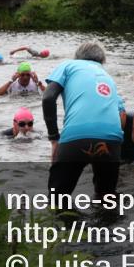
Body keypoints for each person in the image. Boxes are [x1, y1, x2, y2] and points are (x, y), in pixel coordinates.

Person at [42, 42, 125, 198]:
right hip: (111, 138)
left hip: (76, 136)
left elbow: (48, 98)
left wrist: (54, 139)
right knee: (106, 199)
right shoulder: (108, 78)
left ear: (77, 57)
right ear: (102, 61)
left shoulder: (69, 65)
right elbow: (121, 114)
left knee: (57, 199)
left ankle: (64, 221)